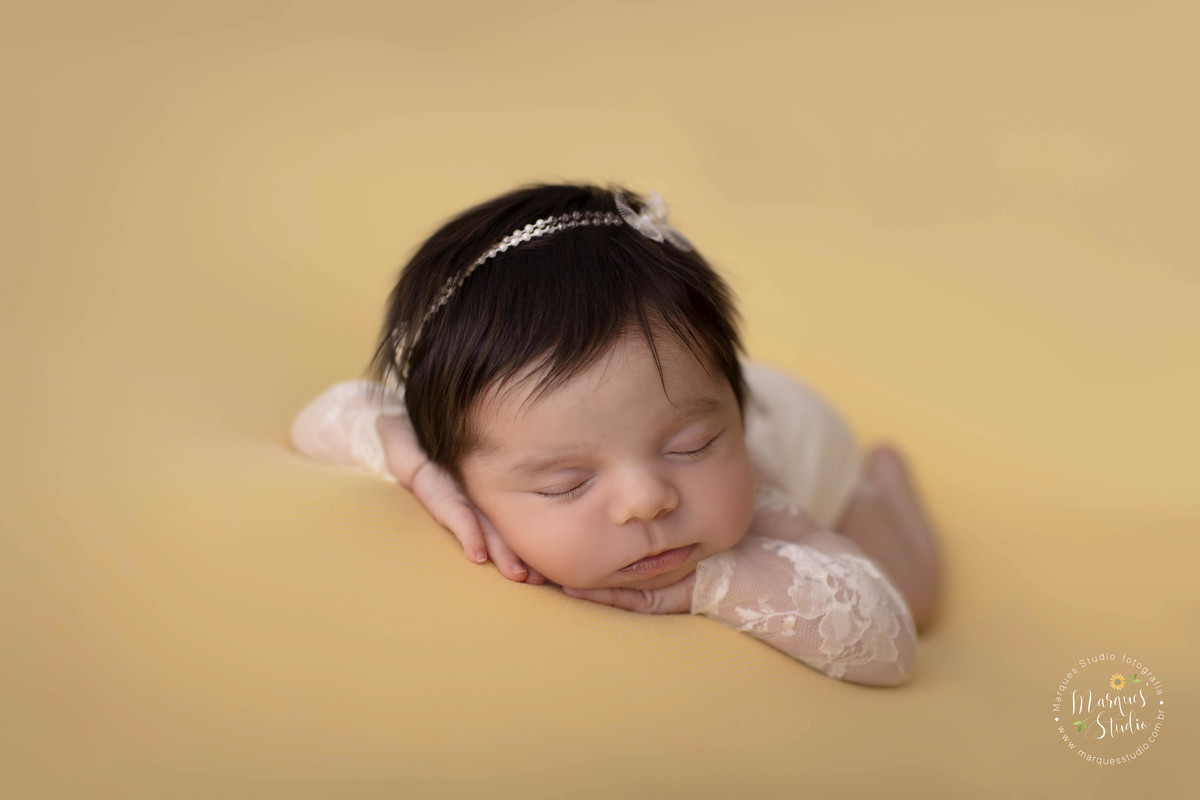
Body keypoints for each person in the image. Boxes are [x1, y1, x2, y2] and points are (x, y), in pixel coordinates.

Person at [291, 182, 942, 686]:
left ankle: (881, 484)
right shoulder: (484, 415)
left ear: (734, 421)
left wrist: (721, 582)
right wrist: (420, 469)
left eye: (693, 447)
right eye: (565, 483)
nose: (647, 499)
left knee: (914, 596)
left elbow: (885, 642)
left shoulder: (760, 495)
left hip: (807, 428)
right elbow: (324, 416)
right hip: (662, 394)